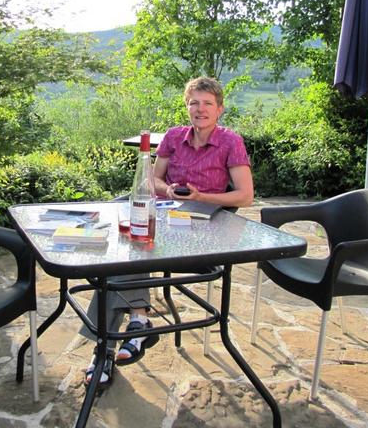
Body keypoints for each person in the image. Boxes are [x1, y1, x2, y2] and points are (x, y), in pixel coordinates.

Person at [81, 76, 254, 388]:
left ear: (220, 110)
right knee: (127, 234)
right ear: (187, 106)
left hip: (204, 228)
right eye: (194, 103)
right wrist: (169, 189)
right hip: (164, 215)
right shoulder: (174, 137)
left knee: (131, 246)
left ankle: (106, 348)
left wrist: (202, 197)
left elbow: (244, 196)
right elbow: (153, 181)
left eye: (207, 104)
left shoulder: (231, 142)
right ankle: (137, 320)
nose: (200, 109)